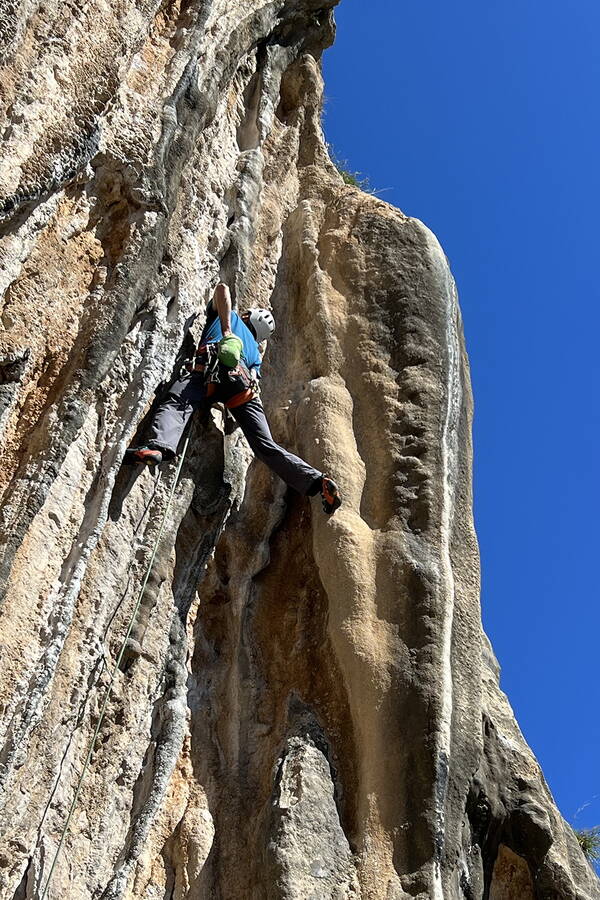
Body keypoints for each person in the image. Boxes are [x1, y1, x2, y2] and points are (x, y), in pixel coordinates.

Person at [125, 283, 342, 514]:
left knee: (179, 402)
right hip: (243, 390)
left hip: (209, 368)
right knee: (265, 446)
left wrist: (227, 329)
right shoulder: (255, 354)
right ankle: (317, 482)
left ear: (247, 316)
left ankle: (158, 446)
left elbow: (222, 289)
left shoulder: (230, 316)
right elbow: (252, 380)